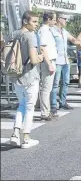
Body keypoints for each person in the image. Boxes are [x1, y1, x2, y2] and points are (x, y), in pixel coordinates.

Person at [9, 10, 44, 148]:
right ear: (25, 21)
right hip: (30, 76)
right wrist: (40, 58)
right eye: (34, 21)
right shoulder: (30, 36)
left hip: (16, 75)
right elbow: (34, 60)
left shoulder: (14, 34)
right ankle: (26, 138)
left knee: (21, 105)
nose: (36, 24)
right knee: (29, 107)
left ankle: (15, 133)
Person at [49, 13, 81, 116]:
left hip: (65, 60)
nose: (66, 21)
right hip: (56, 61)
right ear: (59, 19)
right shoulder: (52, 31)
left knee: (65, 82)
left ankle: (63, 102)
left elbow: (73, 39)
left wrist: (79, 43)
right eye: (64, 19)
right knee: (55, 84)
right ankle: (53, 106)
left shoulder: (64, 31)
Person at [38, 12, 57, 120]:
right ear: (48, 19)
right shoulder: (44, 31)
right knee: (46, 87)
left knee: (48, 87)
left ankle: (47, 110)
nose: (55, 21)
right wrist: (49, 63)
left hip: (51, 60)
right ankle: (45, 112)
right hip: (48, 61)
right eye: (54, 19)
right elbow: (42, 48)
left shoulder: (48, 30)